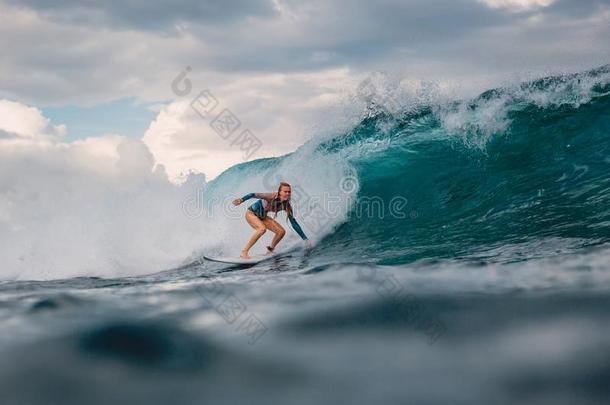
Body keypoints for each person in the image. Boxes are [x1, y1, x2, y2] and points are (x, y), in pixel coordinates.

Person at [232, 182, 311, 258]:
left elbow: (294, 224)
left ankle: (270, 251)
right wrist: (242, 200)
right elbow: (253, 194)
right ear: (279, 192)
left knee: (281, 232)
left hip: (263, 217)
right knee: (262, 229)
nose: (287, 193)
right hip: (251, 214)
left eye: (289, 192)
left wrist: (305, 239)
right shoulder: (270, 196)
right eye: (285, 191)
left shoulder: (287, 206)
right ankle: (244, 252)